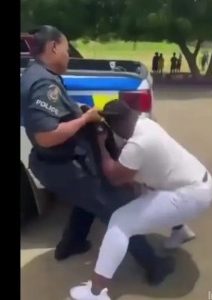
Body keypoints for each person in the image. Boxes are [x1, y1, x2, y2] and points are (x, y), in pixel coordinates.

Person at [21, 25, 174, 286]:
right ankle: (154, 265)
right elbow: (46, 135)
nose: (69, 56)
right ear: (53, 47)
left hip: (60, 162)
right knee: (115, 208)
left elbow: (52, 118)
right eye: (67, 50)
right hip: (63, 163)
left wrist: (75, 113)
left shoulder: (38, 73)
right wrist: (84, 120)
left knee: (88, 198)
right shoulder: (43, 83)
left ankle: (71, 243)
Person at [70, 100, 212, 300]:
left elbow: (114, 176)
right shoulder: (146, 123)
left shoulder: (138, 145)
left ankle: (96, 292)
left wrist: (102, 144)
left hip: (190, 196)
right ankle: (180, 231)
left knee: (120, 222)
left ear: (118, 126)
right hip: (197, 181)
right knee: (147, 192)